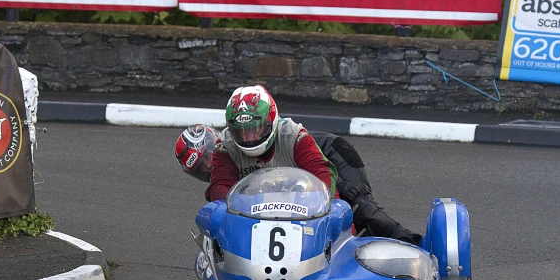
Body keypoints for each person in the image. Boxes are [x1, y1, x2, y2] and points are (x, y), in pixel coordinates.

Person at [175, 105, 422, 244]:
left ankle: (411, 243)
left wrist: (343, 188)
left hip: (329, 154)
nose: (208, 167)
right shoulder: (223, 178)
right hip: (301, 175)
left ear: (216, 142)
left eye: (207, 157)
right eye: (199, 170)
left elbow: (311, 174)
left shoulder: (246, 143)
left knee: (358, 205)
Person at [203, 85, 338, 202]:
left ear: (270, 120)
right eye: (240, 131)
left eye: (255, 129)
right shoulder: (226, 144)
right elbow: (219, 186)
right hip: (248, 213)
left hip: (301, 210)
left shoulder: (294, 135)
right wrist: (241, 201)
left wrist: (323, 203)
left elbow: (323, 173)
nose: (248, 138)